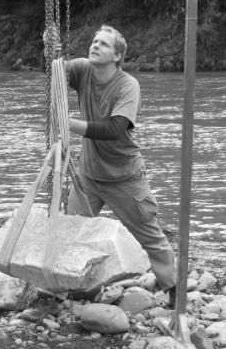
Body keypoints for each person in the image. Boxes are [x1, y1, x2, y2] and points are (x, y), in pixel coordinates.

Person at [66, 25, 176, 304]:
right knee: (73, 229)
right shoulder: (81, 70)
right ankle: (77, 286)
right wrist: (48, 50)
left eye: (103, 44)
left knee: (149, 233)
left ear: (117, 56)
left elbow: (115, 128)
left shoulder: (128, 85)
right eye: (94, 41)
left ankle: (174, 288)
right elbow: (53, 74)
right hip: (89, 175)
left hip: (124, 176)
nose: (95, 45)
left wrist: (69, 124)